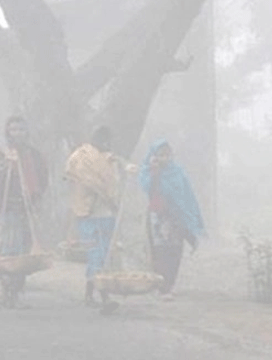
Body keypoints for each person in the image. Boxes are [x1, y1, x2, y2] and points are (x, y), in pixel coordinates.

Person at [65, 126, 125, 314]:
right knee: (95, 255)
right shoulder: (81, 158)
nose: (104, 143)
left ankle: (89, 295)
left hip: (106, 215)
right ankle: (105, 298)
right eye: (100, 139)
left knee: (103, 257)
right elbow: (79, 178)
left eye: (106, 140)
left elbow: (114, 186)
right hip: (88, 215)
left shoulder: (110, 161)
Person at [139, 139, 205, 301]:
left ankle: (169, 285)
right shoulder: (148, 171)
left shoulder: (178, 172)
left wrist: (188, 220)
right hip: (158, 217)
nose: (164, 158)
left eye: (167, 155)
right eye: (160, 155)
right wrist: (155, 171)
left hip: (176, 217)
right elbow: (150, 189)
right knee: (160, 252)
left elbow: (186, 196)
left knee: (175, 251)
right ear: (153, 156)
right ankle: (162, 287)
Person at [0, 116, 48, 308]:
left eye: (20, 129)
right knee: (11, 250)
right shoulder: (2, 155)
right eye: (13, 130)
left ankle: (16, 289)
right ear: (7, 132)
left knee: (25, 251)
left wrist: (36, 197)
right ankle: (6, 287)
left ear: (27, 132)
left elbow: (43, 179)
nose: (17, 133)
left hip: (29, 207)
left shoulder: (34, 155)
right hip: (9, 207)